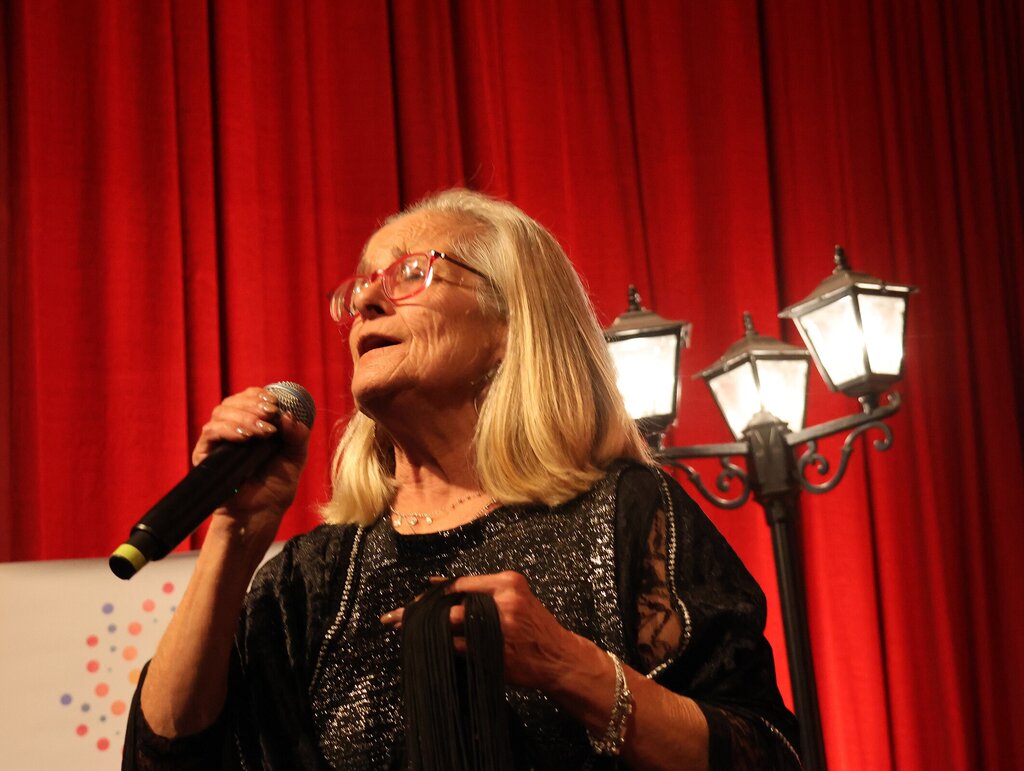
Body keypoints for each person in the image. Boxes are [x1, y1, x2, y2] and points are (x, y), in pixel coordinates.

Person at [125, 189, 801, 770]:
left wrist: (570, 666)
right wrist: (234, 535)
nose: (367, 300)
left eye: (410, 272)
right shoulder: (313, 578)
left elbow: (765, 752)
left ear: (511, 321)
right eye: (361, 287)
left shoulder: (625, 514)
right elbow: (165, 755)